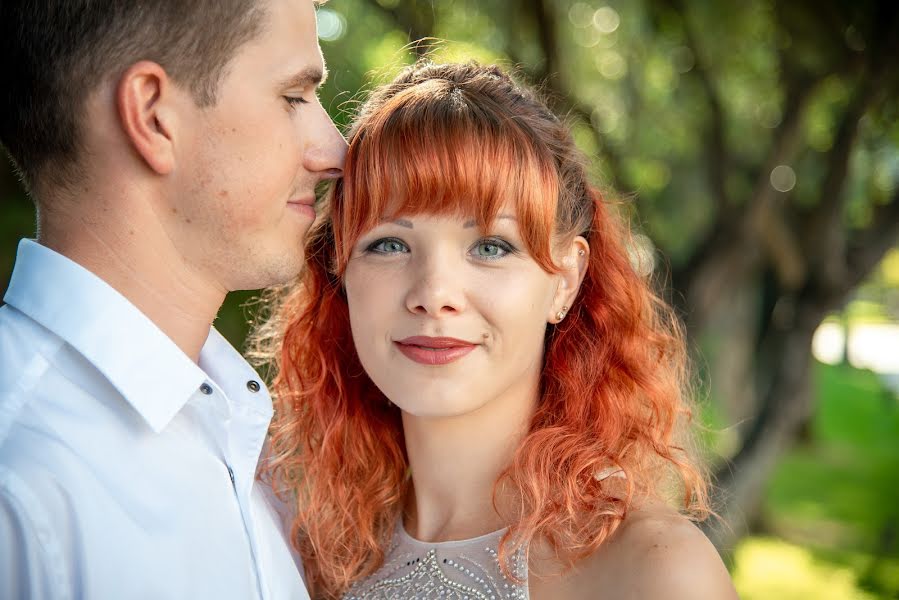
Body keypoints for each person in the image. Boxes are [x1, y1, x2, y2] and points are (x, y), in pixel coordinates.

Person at [255, 61, 739, 599]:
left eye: (490, 247)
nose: (434, 293)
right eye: (389, 244)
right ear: (340, 273)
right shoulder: (307, 552)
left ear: (565, 281)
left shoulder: (652, 570)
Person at [0, 1, 345, 598]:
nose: (335, 151)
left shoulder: (245, 443)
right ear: (154, 116)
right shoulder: (20, 489)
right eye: (293, 97)